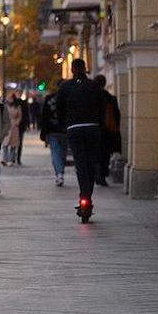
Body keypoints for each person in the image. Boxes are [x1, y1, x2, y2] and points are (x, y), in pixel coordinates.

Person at [56, 59, 106, 220]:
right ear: (85, 69)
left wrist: (65, 125)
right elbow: (101, 108)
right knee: (91, 163)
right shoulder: (94, 86)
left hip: (74, 129)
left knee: (81, 165)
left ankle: (85, 199)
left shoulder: (64, 87)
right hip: (92, 128)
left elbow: (59, 109)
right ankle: (87, 199)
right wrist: (99, 125)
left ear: (72, 69)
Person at [94, 74, 122, 186]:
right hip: (107, 131)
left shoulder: (91, 98)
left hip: (95, 130)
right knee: (105, 155)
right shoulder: (110, 98)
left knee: (95, 154)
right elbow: (117, 115)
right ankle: (103, 176)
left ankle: (96, 174)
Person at [40, 81, 67, 186]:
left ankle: (59, 174)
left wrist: (43, 132)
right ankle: (60, 173)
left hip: (52, 129)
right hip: (64, 130)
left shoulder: (49, 99)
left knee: (55, 152)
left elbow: (44, 116)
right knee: (62, 153)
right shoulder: (68, 98)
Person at [1, 92, 23, 166]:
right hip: (6, 126)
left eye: (11, 98)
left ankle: (11, 159)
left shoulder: (17, 107)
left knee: (13, 144)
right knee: (5, 144)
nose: (9, 99)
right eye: (8, 98)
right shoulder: (5, 106)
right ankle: (4, 159)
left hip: (14, 126)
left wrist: (16, 122)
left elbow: (20, 116)